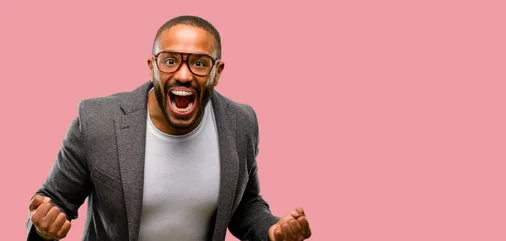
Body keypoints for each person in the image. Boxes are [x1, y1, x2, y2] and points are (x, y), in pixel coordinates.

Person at [26, 15, 312, 241]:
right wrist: (43, 229)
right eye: (170, 61)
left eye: (200, 63)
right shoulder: (97, 121)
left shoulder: (241, 123)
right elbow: (53, 201)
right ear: (152, 66)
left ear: (217, 72)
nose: (184, 75)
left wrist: (273, 231)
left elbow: (245, 206)